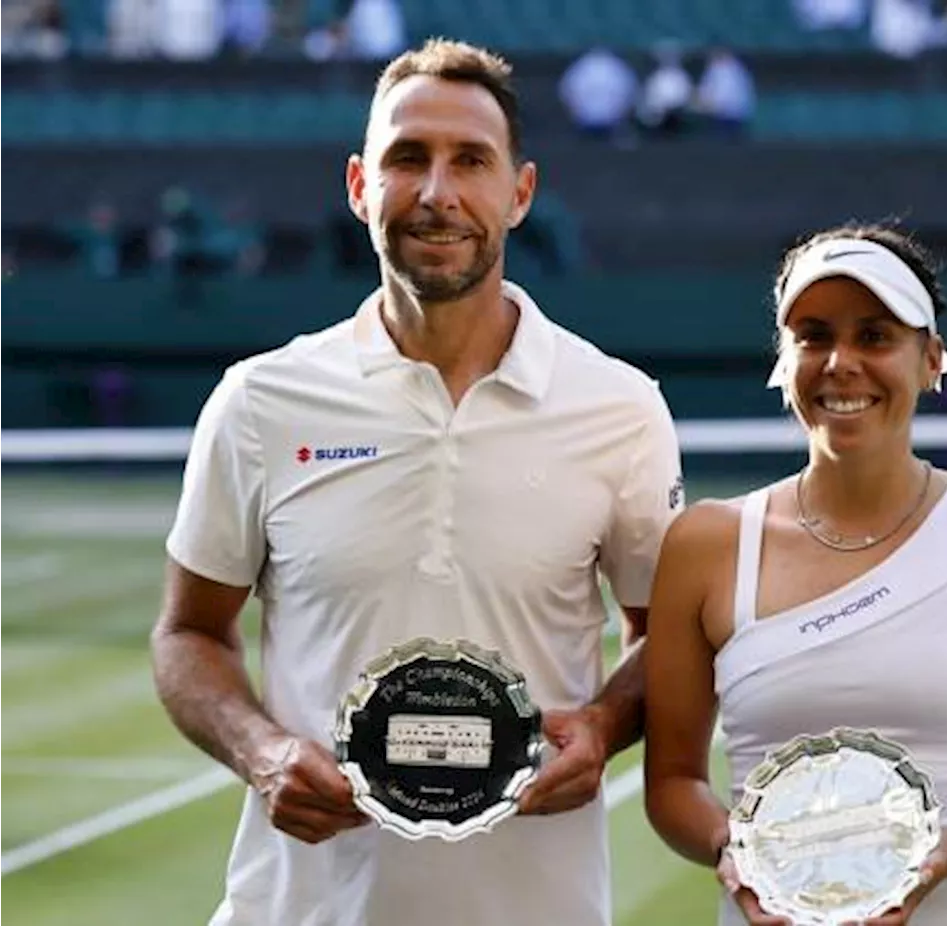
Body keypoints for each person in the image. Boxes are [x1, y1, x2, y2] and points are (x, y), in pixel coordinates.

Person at [151, 39, 684, 926]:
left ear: (519, 194)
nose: (438, 193)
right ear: (360, 187)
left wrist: (602, 726)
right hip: (300, 908)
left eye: (471, 161)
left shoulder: (621, 408)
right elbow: (187, 633)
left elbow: (663, 636)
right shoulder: (260, 401)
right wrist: (261, 751)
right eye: (408, 159)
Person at [643, 224, 947, 926]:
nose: (841, 362)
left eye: (874, 336)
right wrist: (739, 852)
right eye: (813, 336)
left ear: (931, 359)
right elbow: (672, 783)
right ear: (784, 362)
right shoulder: (708, 542)